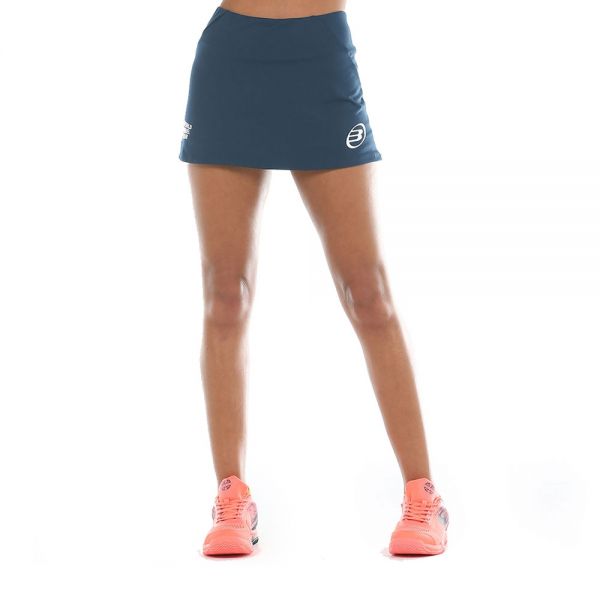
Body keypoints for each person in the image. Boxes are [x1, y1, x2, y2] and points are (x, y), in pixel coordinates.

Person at [178, 0, 449, 557]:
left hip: (319, 59)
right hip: (232, 62)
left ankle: (423, 496)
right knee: (226, 295)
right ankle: (232, 494)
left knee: (367, 292)